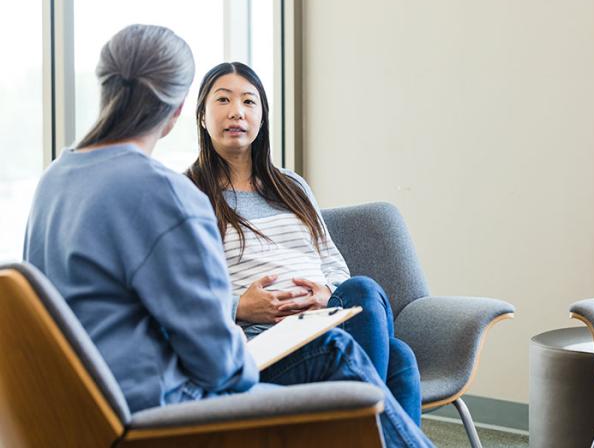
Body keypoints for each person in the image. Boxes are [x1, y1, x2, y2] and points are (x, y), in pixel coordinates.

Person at [23, 25, 431, 447]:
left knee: (381, 354)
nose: (236, 111)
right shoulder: (170, 194)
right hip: (164, 407)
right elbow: (220, 367)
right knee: (338, 354)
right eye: (223, 99)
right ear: (183, 108)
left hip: (79, 408)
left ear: (106, 85)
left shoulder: (55, 179)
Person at [185, 62, 422, 425]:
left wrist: (328, 294)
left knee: (362, 290)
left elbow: (333, 263)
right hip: (265, 344)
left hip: (322, 322)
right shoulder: (186, 196)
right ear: (202, 115)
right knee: (398, 356)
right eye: (223, 100)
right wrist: (239, 308)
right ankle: (361, 428)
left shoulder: (292, 186)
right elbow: (181, 295)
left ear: (262, 118)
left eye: (249, 101)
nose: (237, 111)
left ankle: (356, 428)